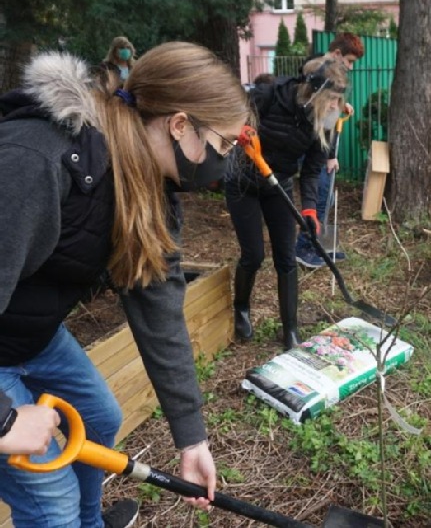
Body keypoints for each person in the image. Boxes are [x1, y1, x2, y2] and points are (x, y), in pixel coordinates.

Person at [0, 41, 249, 528]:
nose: (225, 162)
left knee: (98, 419)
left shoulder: (146, 187)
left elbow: (160, 313)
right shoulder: (38, 161)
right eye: (224, 145)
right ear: (179, 125)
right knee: (52, 504)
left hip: (30, 331)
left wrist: (191, 437)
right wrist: (6, 420)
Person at [226, 57, 348, 348]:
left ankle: (290, 329)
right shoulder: (270, 95)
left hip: (278, 183)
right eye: (332, 98)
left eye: (339, 99)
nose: (336, 106)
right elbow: (234, 119)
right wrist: (240, 131)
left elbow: (311, 171)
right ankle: (241, 308)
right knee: (253, 255)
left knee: (286, 257)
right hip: (243, 181)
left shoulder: (324, 122)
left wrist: (308, 208)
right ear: (314, 93)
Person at [294, 32, 365, 269]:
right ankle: (303, 248)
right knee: (320, 193)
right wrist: (329, 156)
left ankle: (314, 246)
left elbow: (329, 114)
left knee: (323, 194)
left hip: (320, 145)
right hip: (310, 146)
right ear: (337, 54)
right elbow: (317, 114)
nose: (350, 67)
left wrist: (341, 105)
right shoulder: (314, 71)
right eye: (350, 61)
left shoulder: (328, 74)